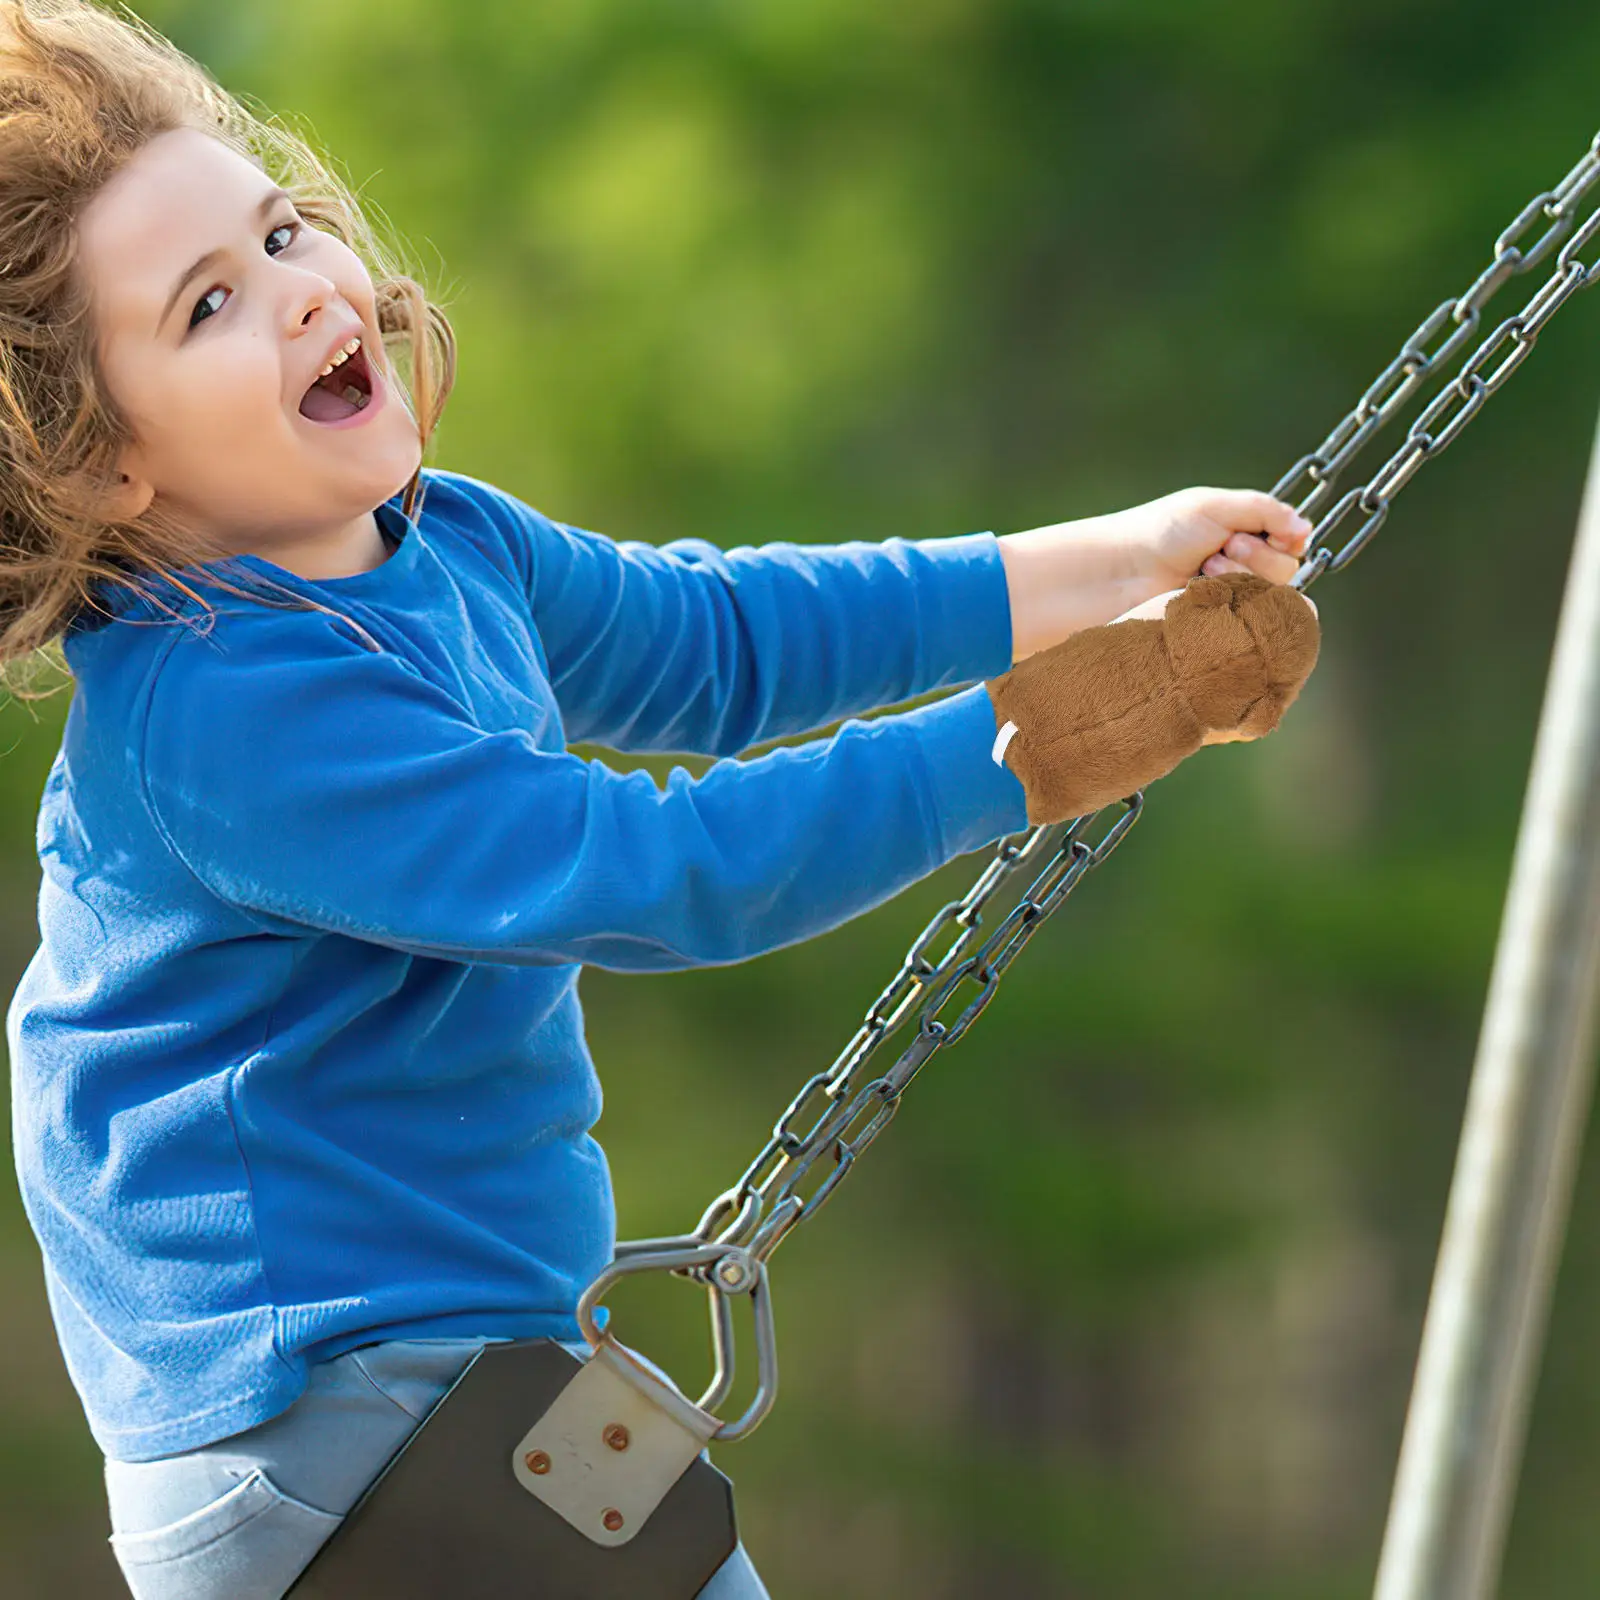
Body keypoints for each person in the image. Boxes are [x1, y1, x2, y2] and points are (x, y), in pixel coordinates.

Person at [0, 2, 1315, 1596]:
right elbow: (645, 871)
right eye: (211, 305)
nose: (299, 295)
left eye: (280, 233)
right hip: (318, 1436)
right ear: (96, 469)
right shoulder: (223, 713)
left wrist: (1112, 561)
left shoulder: (443, 544)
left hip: (454, 1378)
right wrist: (1045, 737)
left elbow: (722, 641)